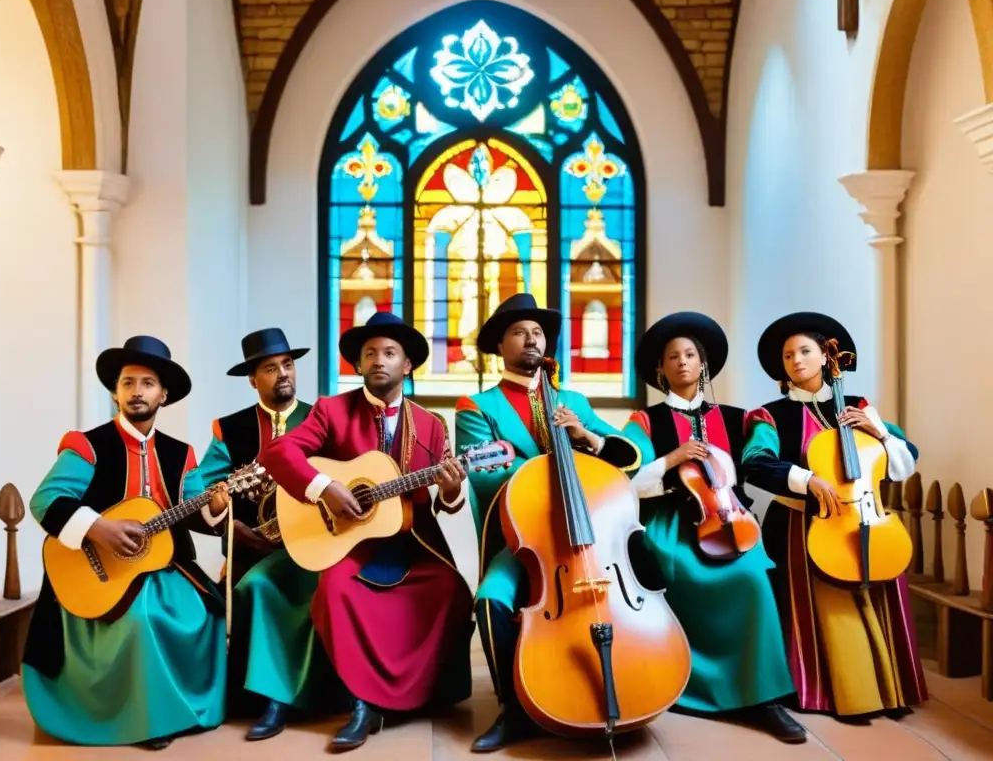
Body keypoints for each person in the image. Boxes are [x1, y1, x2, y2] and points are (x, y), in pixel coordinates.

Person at [257, 311, 474, 750]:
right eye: (370, 353)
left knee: (452, 590)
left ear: (407, 365)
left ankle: (415, 695)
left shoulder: (431, 423)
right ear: (357, 366)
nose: (379, 360)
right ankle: (362, 702)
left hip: (411, 542)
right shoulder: (331, 410)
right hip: (348, 542)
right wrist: (325, 487)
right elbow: (280, 453)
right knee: (336, 590)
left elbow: (443, 502)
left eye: (390, 353)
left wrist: (452, 491)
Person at [20, 336, 231, 750]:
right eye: (129, 382)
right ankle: (140, 720)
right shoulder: (87, 444)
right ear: (115, 392)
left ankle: (183, 709)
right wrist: (99, 528)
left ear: (163, 395)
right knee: (140, 620)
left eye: (148, 383)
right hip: (97, 571)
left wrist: (217, 504)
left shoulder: (181, 453)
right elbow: (46, 500)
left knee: (209, 615)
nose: (138, 391)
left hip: (164, 569)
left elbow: (195, 512)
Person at [454, 293, 642, 753]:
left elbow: (633, 458)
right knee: (491, 600)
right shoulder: (476, 405)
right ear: (500, 345)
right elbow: (483, 480)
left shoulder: (573, 399)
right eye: (519, 332)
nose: (531, 338)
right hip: (525, 541)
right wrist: (542, 468)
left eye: (537, 332)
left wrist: (586, 436)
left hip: (588, 538)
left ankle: (627, 680)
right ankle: (513, 711)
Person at [620, 312, 805, 743]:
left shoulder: (743, 418)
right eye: (672, 357)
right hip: (671, 526)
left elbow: (761, 460)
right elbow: (629, 480)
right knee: (678, 572)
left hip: (733, 521)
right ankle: (684, 684)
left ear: (703, 364)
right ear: (660, 370)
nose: (682, 362)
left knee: (753, 579)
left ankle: (764, 698)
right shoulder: (645, 422)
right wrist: (672, 458)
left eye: (690, 354)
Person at [742, 312, 927, 721]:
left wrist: (880, 432)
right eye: (788, 355)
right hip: (800, 523)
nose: (796, 361)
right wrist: (806, 479)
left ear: (827, 357)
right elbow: (755, 462)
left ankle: (889, 690)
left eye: (805, 351)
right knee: (825, 605)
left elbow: (904, 462)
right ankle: (839, 692)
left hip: (865, 516)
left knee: (878, 585)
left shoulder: (860, 406)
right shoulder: (770, 414)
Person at [197, 327, 324, 740]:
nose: (283, 374)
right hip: (252, 547)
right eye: (270, 368)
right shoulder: (229, 429)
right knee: (248, 588)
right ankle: (266, 697)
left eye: (287, 365)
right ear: (253, 380)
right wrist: (224, 518)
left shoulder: (321, 417)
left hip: (317, 542)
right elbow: (201, 488)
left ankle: (302, 694)